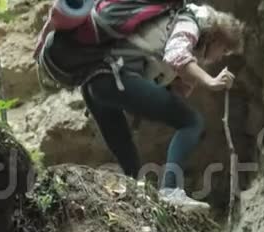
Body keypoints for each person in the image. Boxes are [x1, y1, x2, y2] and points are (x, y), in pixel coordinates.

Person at [81, 3, 245, 209]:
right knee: (192, 122)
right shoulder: (190, 21)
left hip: (92, 83)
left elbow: (158, 65)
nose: (221, 56)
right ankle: (170, 190)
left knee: (123, 143)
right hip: (114, 76)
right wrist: (209, 81)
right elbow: (176, 54)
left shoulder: (172, 23)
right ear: (216, 37)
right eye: (224, 49)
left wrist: (178, 84)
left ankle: (136, 197)